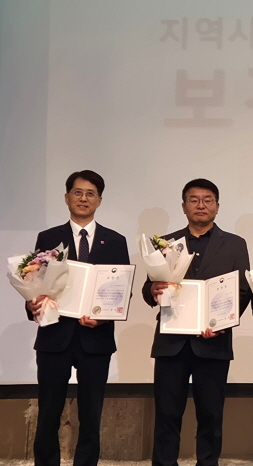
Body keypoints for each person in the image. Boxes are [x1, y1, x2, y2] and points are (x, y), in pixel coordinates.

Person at [142, 178, 251, 466]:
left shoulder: (235, 244)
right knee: (167, 414)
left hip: (213, 341)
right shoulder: (166, 243)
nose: (200, 205)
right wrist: (153, 290)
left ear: (217, 206)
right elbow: (148, 288)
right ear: (183, 206)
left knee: (211, 416)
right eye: (194, 200)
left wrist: (222, 323)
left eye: (207, 200)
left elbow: (242, 291)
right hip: (171, 342)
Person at [24, 170, 130, 466]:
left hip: (95, 338)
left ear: (99, 200)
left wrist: (103, 317)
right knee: (48, 412)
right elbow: (35, 281)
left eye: (90, 194)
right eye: (78, 192)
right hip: (54, 336)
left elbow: (121, 290)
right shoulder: (49, 238)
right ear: (67, 197)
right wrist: (32, 303)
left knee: (91, 414)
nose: (84, 198)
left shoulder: (115, 240)